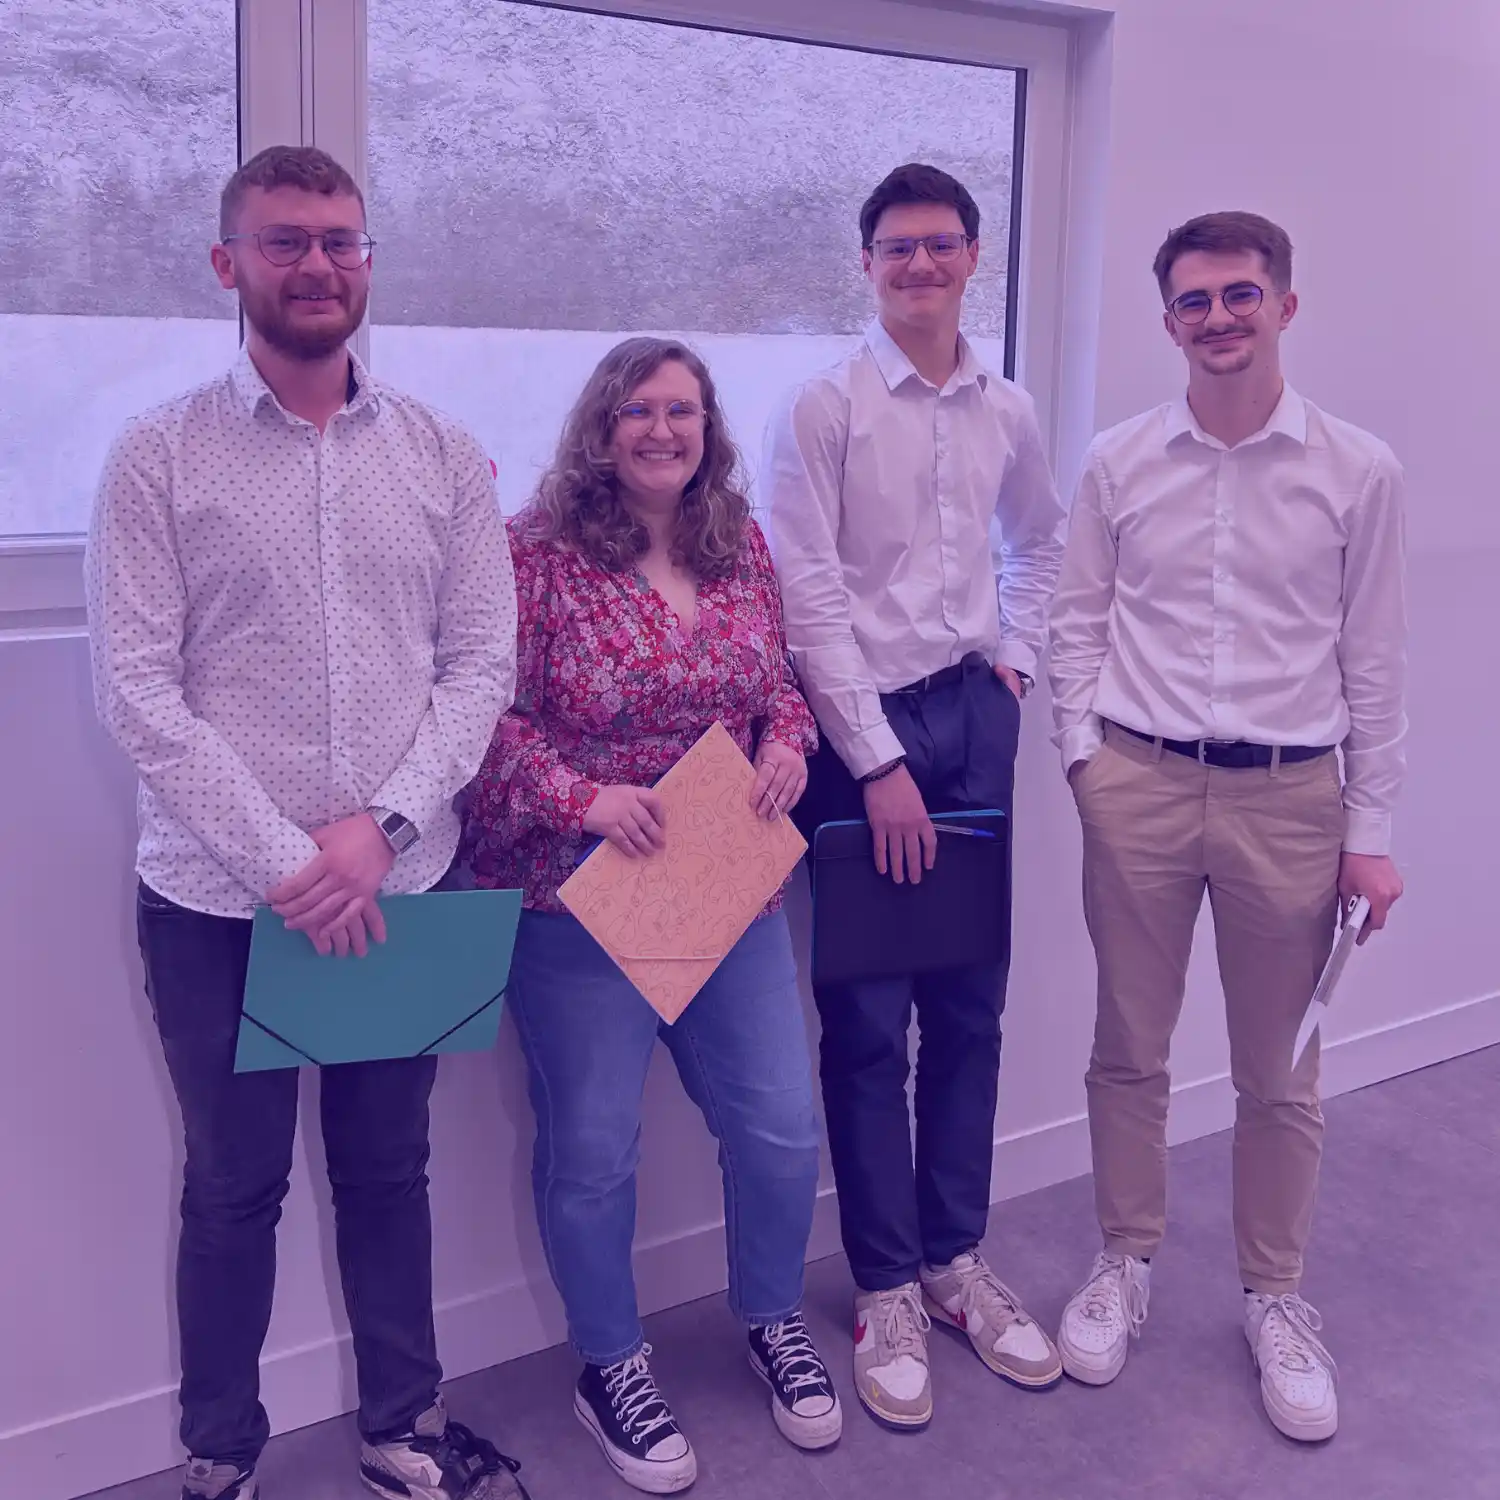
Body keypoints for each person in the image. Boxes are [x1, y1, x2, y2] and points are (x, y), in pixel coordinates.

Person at [85, 145, 530, 1500]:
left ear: (368, 262)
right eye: (286, 241)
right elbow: (139, 693)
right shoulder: (157, 455)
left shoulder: (442, 454)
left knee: (390, 1172)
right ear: (230, 264)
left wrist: (379, 834)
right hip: (219, 905)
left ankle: (402, 1426)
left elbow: (482, 667)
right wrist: (295, 863)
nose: (319, 264)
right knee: (232, 1190)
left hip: (400, 890)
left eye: (341, 240)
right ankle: (221, 1454)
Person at [1047, 211, 1408, 1443]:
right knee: (1127, 1049)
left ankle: (1274, 1297)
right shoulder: (1119, 462)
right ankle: (1124, 1261)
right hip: (1138, 787)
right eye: (1195, 301)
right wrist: (1085, 764)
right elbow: (1075, 621)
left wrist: (1371, 828)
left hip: (1293, 801)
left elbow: (1376, 662)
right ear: (1169, 322)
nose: (1218, 318)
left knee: (1280, 1072)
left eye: (1240, 295)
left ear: (1284, 306)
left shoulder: (1358, 471)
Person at [463, 336, 840, 1494]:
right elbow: (483, 715)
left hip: (724, 877)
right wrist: (579, 797)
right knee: (592, 1151)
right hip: (579, 888)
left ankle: (771, 1316)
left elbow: (776, 687)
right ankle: (610, 1364)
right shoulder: (534, 552)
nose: (662, 430)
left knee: (780, 1128)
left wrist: (788, 745)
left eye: (682, 410)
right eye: (638, 410)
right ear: (601, 426)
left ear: (708, 427)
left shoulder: (741, 542)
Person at [761, 162, 1068, 1430]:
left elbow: (1041, 542)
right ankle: (884, 1284)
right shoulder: (823, 407)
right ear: (867, 263)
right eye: (897, 247)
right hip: (861, 742)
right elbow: (806, 596)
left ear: (974, 255)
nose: (920, 264)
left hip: (974, 720)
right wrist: (877, 761)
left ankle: (954, 1263)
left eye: (941, 244)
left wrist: (1015, 669)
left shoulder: (1008, 407)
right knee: (870, 1028)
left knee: (972, 1015)